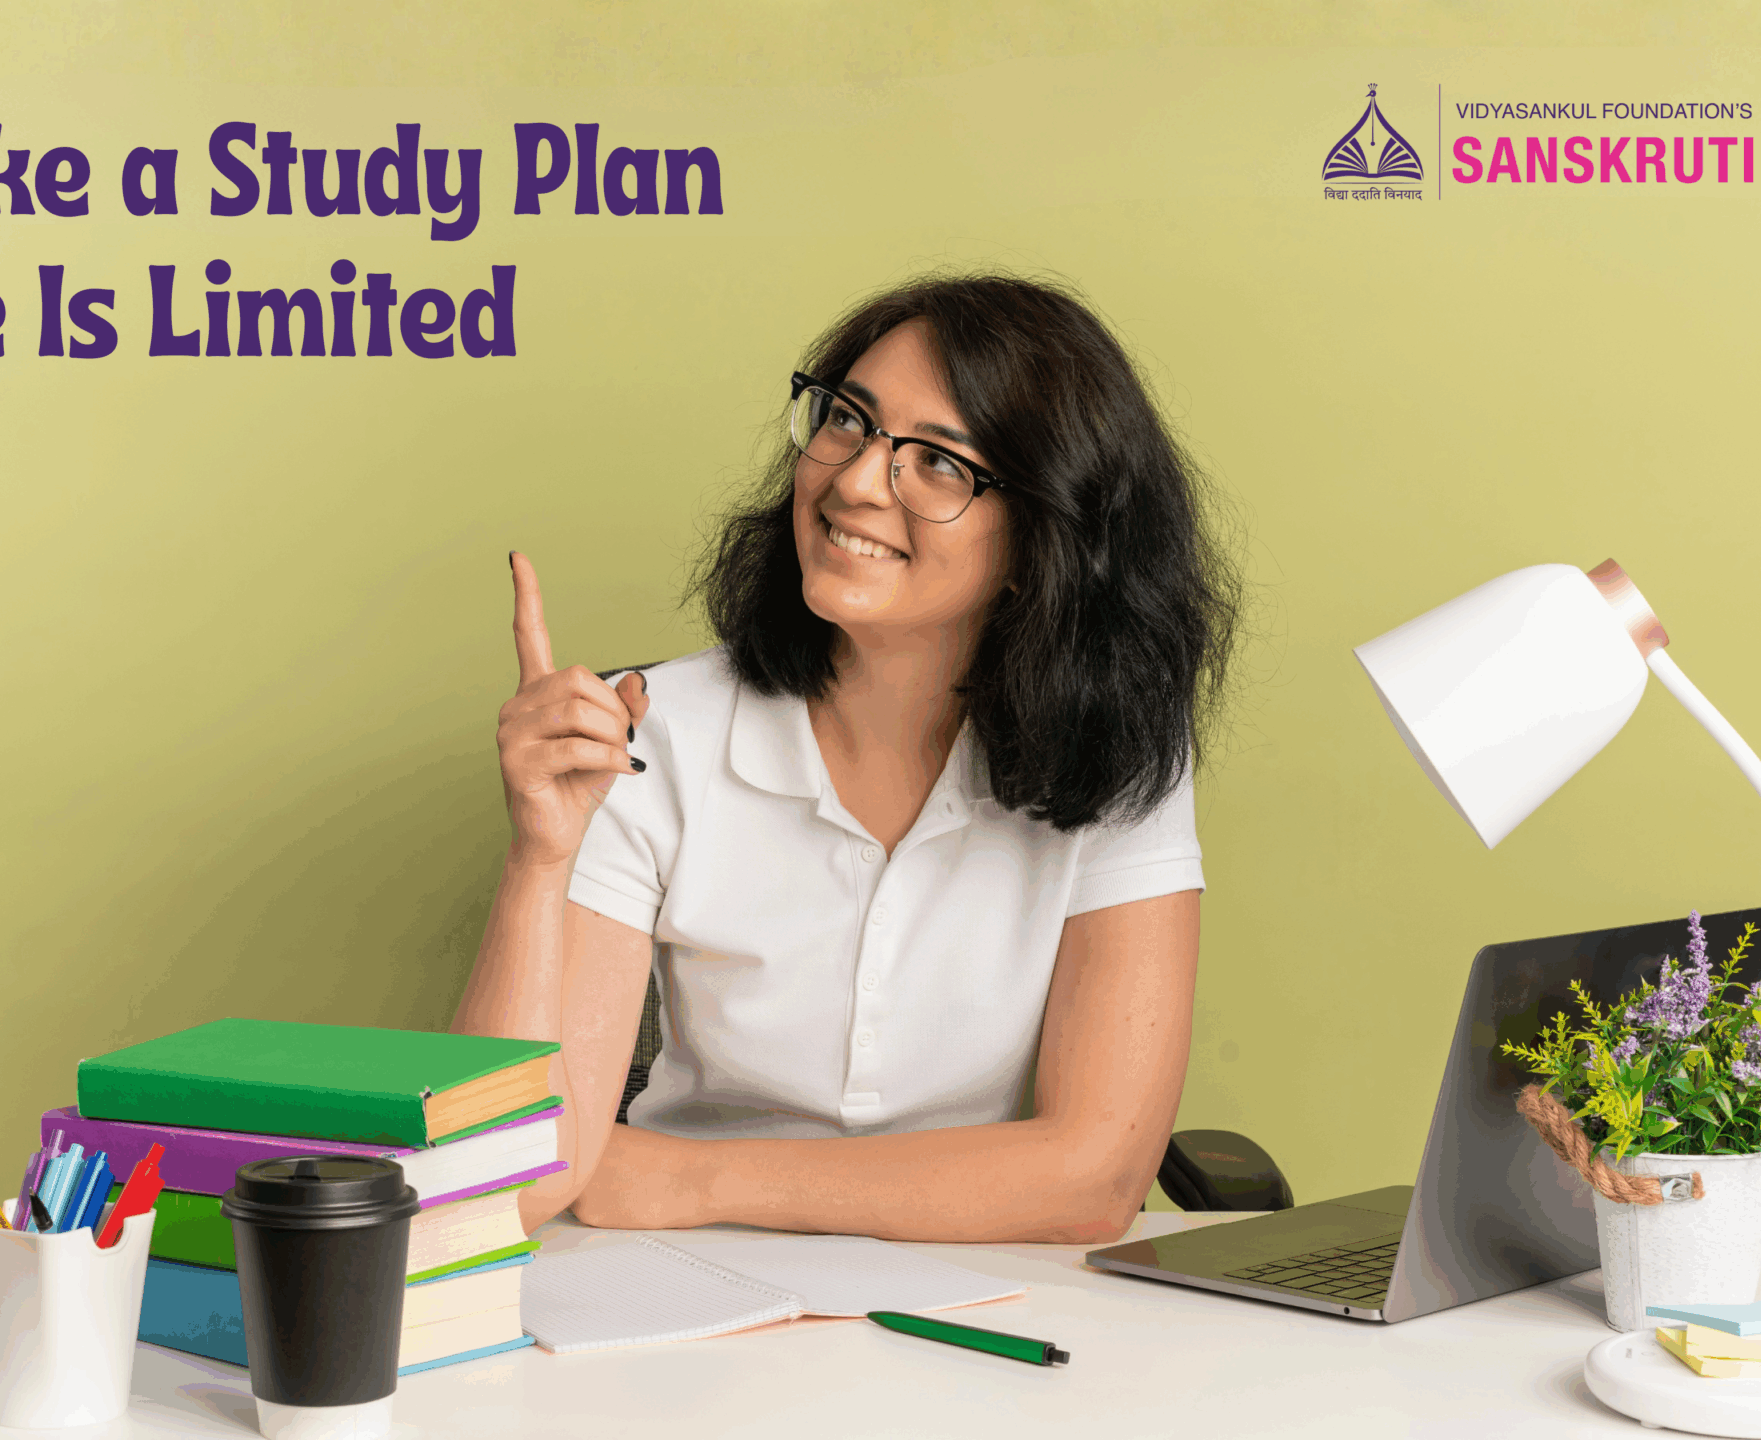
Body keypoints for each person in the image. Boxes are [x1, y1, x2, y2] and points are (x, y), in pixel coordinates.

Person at [451, 272, 1237, 1244]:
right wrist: (538, 859)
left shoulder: (1114, 756)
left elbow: (1093, 1177)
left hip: (976, 1295)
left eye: (941, 464)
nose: (857, 480)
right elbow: (514, 1187)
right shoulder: (651, 731)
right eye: (846, 422)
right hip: (677, 1292)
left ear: (1046, 538)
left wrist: (696, 1181)